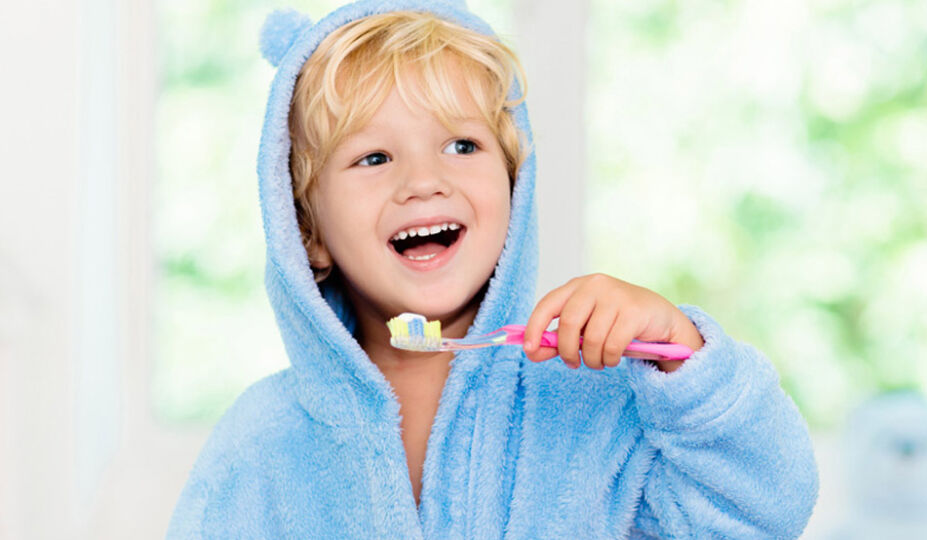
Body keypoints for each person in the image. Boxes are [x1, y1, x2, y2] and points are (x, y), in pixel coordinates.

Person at [167, 1, 818, 538]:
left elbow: (764, 508)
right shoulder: (261, 446)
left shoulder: (595, 398)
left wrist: (685, 366)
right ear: (306, 233)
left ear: (514, 186)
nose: (424, 181)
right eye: (373, 158)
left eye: (462, 144)